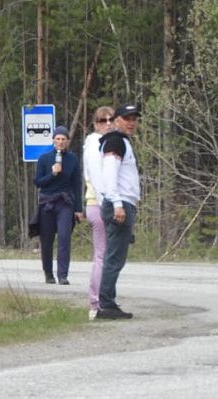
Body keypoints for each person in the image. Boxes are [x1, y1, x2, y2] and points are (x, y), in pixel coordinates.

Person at [95, 104, 141, 320]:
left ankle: (108, 301)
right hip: (118, 203)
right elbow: (109, 175)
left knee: (116, 256)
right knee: (114, 257)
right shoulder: (115, 141)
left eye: (134, 119)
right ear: (116, 121)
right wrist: (117, 204)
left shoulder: (122, 142)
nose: (131, 122)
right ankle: (106, 304)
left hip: (123, 202)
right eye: (127, 118)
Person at [33, 126, 83, 285]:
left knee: (64, 237)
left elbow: (76, 184)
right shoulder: (44, 159)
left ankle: (63, 275)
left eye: (63, 139)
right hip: (47, 202)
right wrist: (52, 174)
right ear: (53, 140)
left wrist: (78, 209)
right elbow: (38, 182)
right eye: (58, 139)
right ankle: (48, 273)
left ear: (67, 141)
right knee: (46, 239)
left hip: (65, 202)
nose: (60, 142)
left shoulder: (73, 159)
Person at [82, 106, 116, 319]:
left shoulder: (106, 143)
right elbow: (97, 177)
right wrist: (109, 204)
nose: (108, 123)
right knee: (102, 255)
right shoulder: (95, 144)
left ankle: (102, 299)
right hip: (98, 203)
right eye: (103, 120)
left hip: (102, 202)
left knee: (105, 254)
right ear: (95, 124)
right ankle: (96, 302)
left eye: (111, 119)